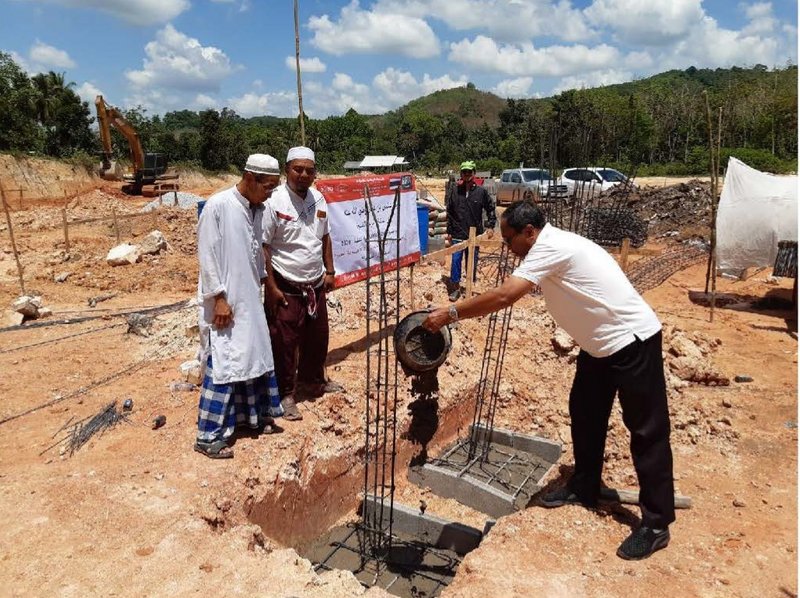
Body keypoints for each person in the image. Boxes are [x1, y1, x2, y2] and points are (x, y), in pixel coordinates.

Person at [424, 200, 675, 560]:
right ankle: (584, 486)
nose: (508, 248)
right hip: (598, 346)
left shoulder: (549, 247)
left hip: (631, 341)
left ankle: (656, 523)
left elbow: (507, 295)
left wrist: (450, 313)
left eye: (509, 240)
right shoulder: (547, 245)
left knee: (647, 430)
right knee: (585, 413)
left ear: (530, 232)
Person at [194, 154, 283, 459]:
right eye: (268, 187)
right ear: (250, 178)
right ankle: (208, 435)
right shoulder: (218, 206)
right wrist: (218, 297)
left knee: (250, 356)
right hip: (225, 300)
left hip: (248, 297)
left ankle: (248, 419)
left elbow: (256, 251)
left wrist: (264, 284)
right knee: (225, 361)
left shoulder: (258, 210)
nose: (270, 193)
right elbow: (206, 255)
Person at [262, 146, 343, 421]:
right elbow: (263, 247)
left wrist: (330, 271)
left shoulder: (319, 199)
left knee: (317, 337)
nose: (303, 175)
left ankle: (313, 380)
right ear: (287, 170)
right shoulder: (274, 201)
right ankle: (286, 393)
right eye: (298, 169)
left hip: (315, 282)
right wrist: (270, 287)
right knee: (284, 341)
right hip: (285, 282)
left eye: (309, 170)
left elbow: (325, 237)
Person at [445, 160, 496, 301]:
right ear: (461, 174)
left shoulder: (481, 192)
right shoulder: (455, 191)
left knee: (471, 262)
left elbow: (491, 208)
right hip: (457, 233)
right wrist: (449, 231)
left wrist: (490, 226)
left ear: (474, 173)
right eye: (464, 172)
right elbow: (449, 212)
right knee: (455, 261)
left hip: (474, 234)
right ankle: (455, 288)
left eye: (469, 172)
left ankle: (469, 287)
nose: (466, 174)